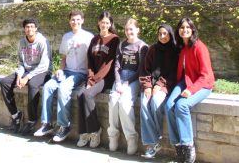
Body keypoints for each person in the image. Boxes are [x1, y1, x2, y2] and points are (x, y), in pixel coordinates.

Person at [34, 10, 93, 142]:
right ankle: (47, 124)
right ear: (69, 21)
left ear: (82, 20)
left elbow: (91, 59)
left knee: (63, 89)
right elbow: (63, 57)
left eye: (78, 19)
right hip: (66, 71)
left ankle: (64, 126)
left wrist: (90, 77)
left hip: (80, 73)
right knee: (48, 86)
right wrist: (60, 70)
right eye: (72, 19)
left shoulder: (88, 37)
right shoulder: (66, 36)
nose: (75, 22)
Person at [165, 17, 215, 163]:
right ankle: (178, 144)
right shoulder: (183, 47)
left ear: (192, 29)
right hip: (185, 82)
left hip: (203, 85)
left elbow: (206, 75)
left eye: (187, 27)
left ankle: (188, 145)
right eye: (182, 27)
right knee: (168, 105)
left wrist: (191, 90)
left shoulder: (200, 47)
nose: (184, 30)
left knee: (182, 105)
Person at [0, 18, 52, 135]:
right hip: (27, 70)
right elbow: (21, 62)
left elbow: (45, 65)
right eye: (27, 27)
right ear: (24, 29)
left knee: (33, 85)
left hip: (43, 71)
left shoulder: (43, 41)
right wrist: (19, 75)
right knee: (4, 82)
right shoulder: (22, 42)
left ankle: (32, 120)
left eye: (32, 27)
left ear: (36, 28)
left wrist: (27, 77)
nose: (29, 29)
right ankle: (15, 115)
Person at [75, 11, 119, 148]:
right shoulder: (94, 39)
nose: (104, 25)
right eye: (102, 22)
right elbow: (90, 62)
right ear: (98, 23)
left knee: (87, 94)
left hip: (106, 78)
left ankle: (95, 130)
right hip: (93, 78)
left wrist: (93, 81)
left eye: (107, 22)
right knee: (79, 94)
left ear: (110, 24)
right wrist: (90, 77)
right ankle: (83, 132)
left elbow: (109, 65)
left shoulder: (114, 39)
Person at [108, 18, 147, 155]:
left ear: (137, 30)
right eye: (126, 29)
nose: (129, 32)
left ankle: (131, 137)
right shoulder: (121, 45)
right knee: (113, 101)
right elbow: (117, 66)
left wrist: (127, 83)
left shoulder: (142, 47)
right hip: (120, 78)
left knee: (124, 103)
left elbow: (141, 69)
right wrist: (118, 82)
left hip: (134, 79)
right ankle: (113, 135)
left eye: (131, 29)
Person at [139, 23, 179, 158]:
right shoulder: (153, 49)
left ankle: (157, 136)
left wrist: (160, 85)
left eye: (165, 34)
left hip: (167, 85)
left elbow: (174, 73)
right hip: (151, 84)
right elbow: (145, 69)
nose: (162, 36)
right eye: (160, 34)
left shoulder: (175, 51)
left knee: (156, 103)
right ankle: (153, 143)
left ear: (170, 35)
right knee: (144, 103)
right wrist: (148, 86)